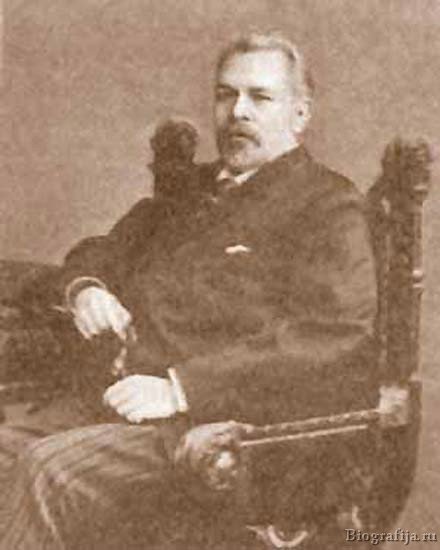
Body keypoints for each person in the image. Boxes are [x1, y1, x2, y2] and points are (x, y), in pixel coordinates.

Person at [0, 33, 378, 549]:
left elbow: (330, 336)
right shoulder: (186, 193)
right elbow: (98, 252)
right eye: (226, 95)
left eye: (260, 97)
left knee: (47, 471)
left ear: (299, 114)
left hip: (211, 431)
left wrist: (180, 389)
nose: (238, 111)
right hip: (113, 403)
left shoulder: (327, 206)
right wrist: (86, 290)